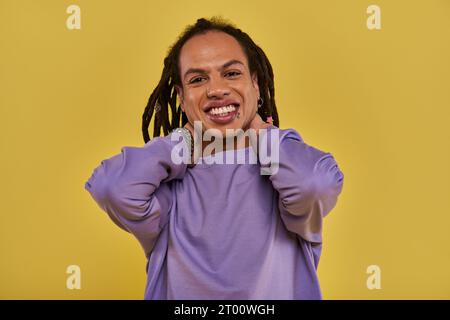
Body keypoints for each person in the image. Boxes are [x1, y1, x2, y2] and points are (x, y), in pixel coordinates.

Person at [85, 17, 344, 299]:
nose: (216, 89)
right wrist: (181, 142)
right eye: (198, 79)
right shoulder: (170, 189)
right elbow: (111, 187)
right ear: (182, 99)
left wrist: (261, 134)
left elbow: (317, 183)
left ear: (255, 84)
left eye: (231, 73)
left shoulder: (282, 180)